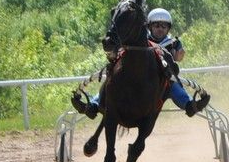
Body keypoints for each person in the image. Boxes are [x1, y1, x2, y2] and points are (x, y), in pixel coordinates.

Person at [78, 7, 207, 118]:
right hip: (137, 81)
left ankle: (190, 105)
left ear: (168, 28)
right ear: (149, 26)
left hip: (161, 82)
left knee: (173, 85)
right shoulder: (140, 42)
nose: (160, 29)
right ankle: (93, 105)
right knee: (112, 83)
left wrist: (178, 54)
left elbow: (179, 57)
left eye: (164, 26)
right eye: (157, 25)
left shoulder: (173, 43)